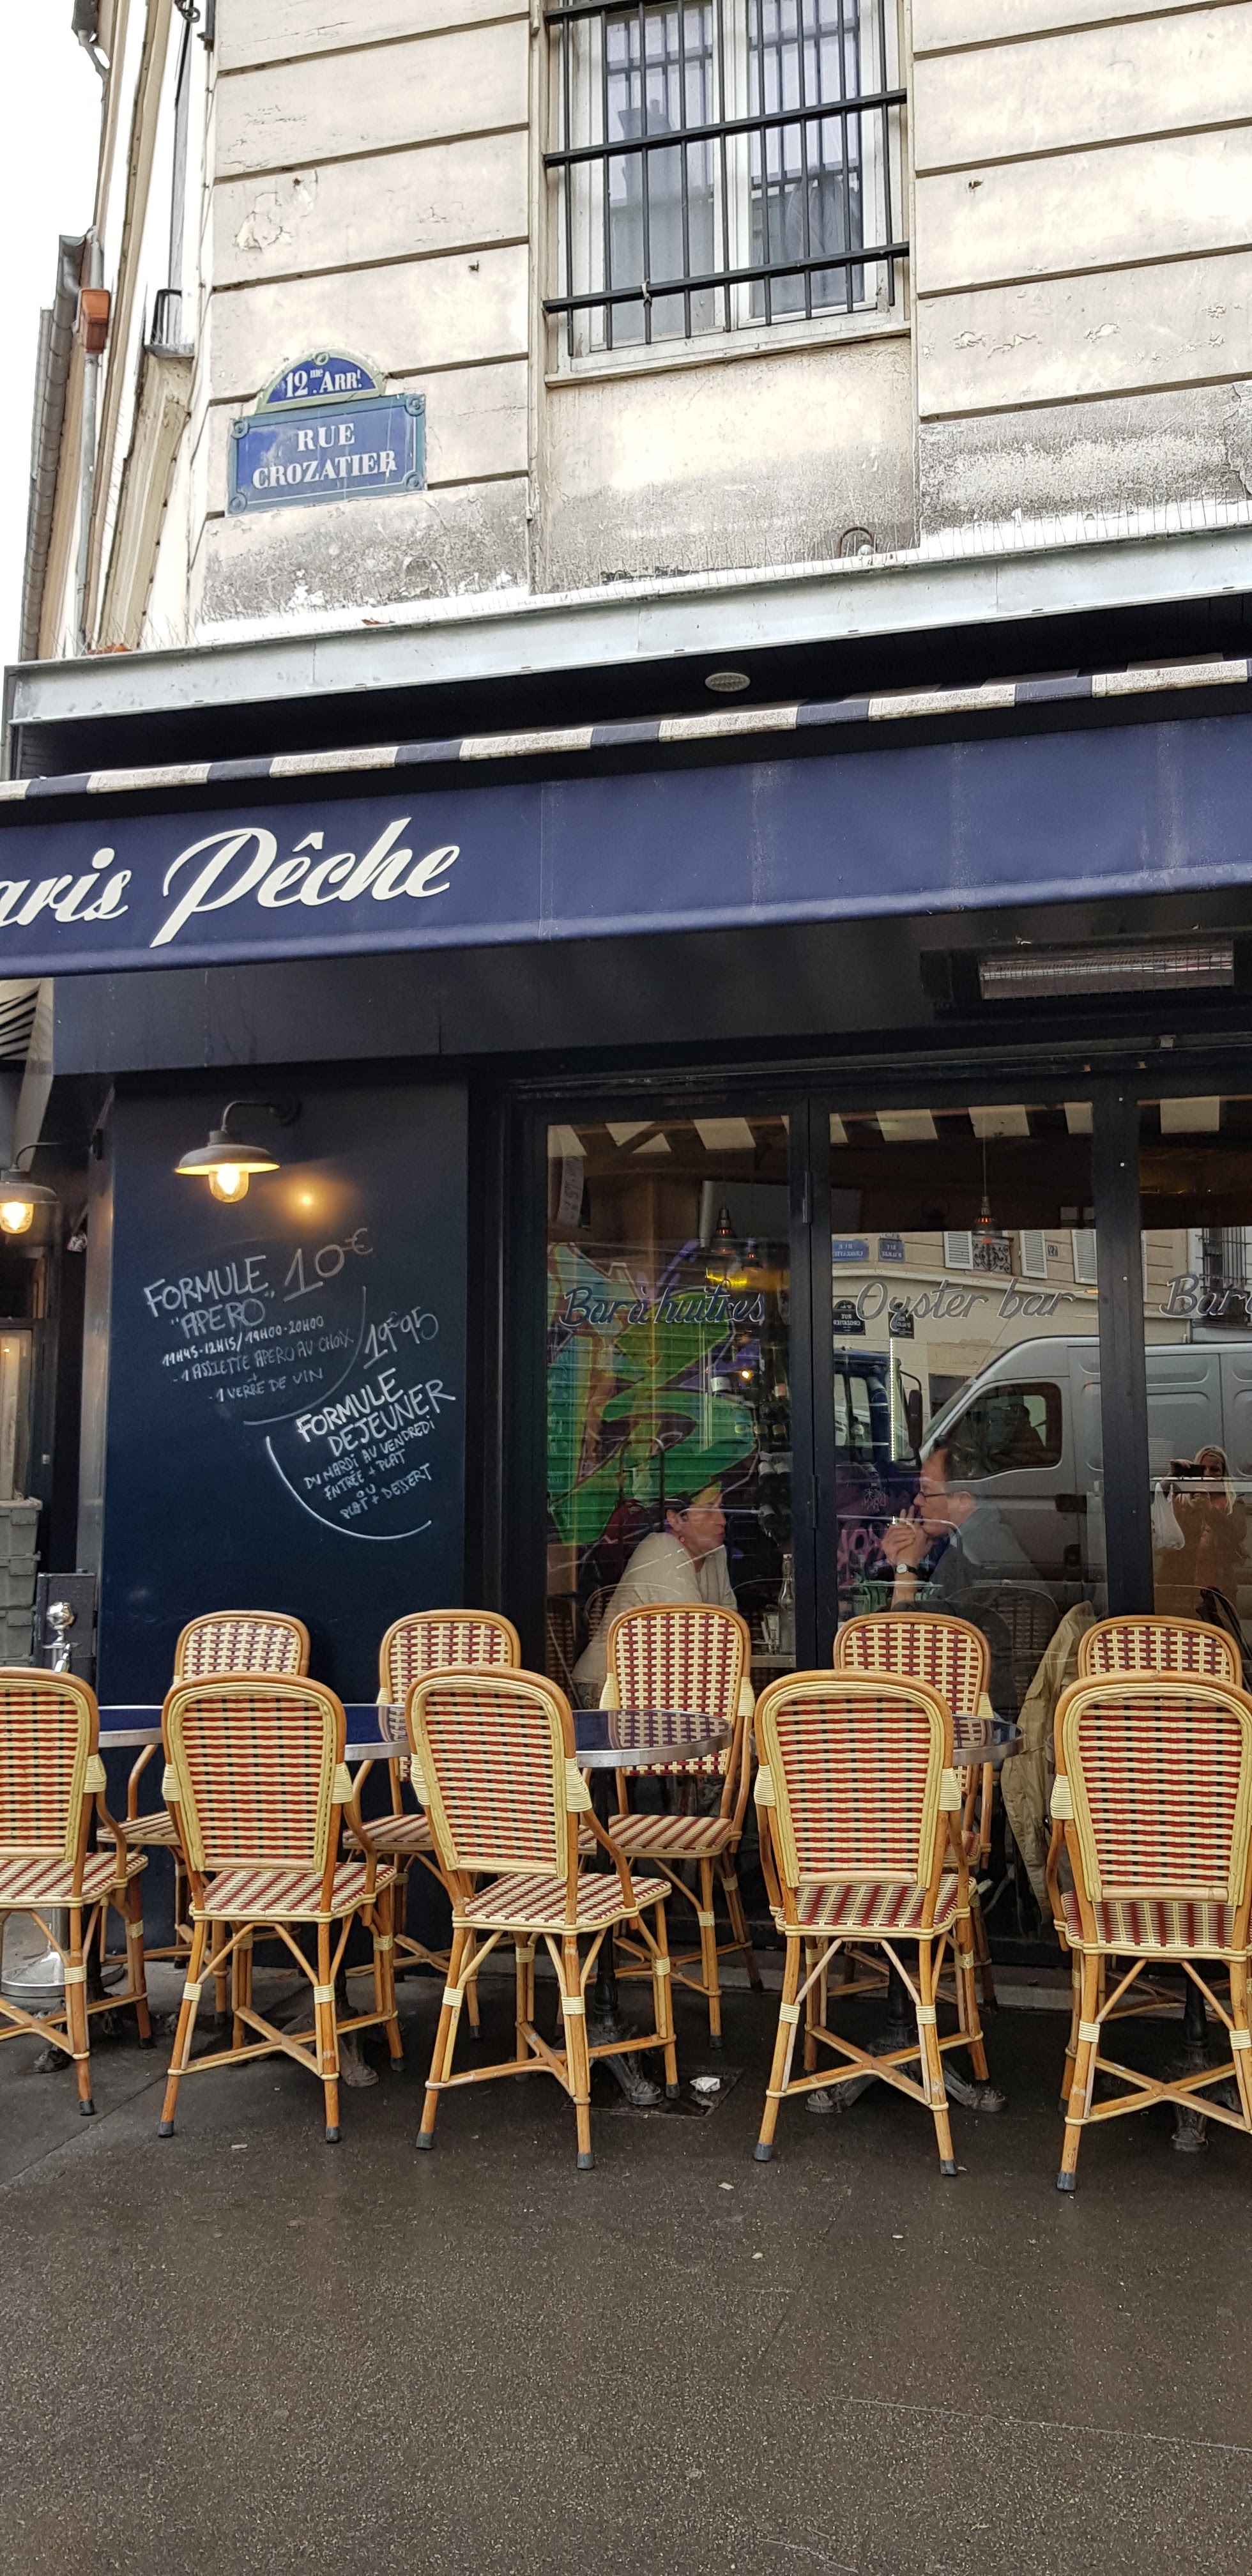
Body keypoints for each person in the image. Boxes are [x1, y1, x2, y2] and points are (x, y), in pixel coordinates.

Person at [878, 1439, 1037, 1711]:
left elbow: (903, 1647)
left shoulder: (972, 1556)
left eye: (926, 1493)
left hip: (973, 1707)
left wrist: (906, 1566)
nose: (917, 1501)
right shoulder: (982, 1535)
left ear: (963, 1501)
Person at [572, 1487, 737, 1706]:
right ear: (675, 1520)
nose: (722, 1520)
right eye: (708, 1511)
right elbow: (695, 1633)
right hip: (611, 1687)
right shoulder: (662, 1550)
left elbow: (731, 1627)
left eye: (721, 1509)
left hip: (670, 1683)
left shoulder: (716, 1553)